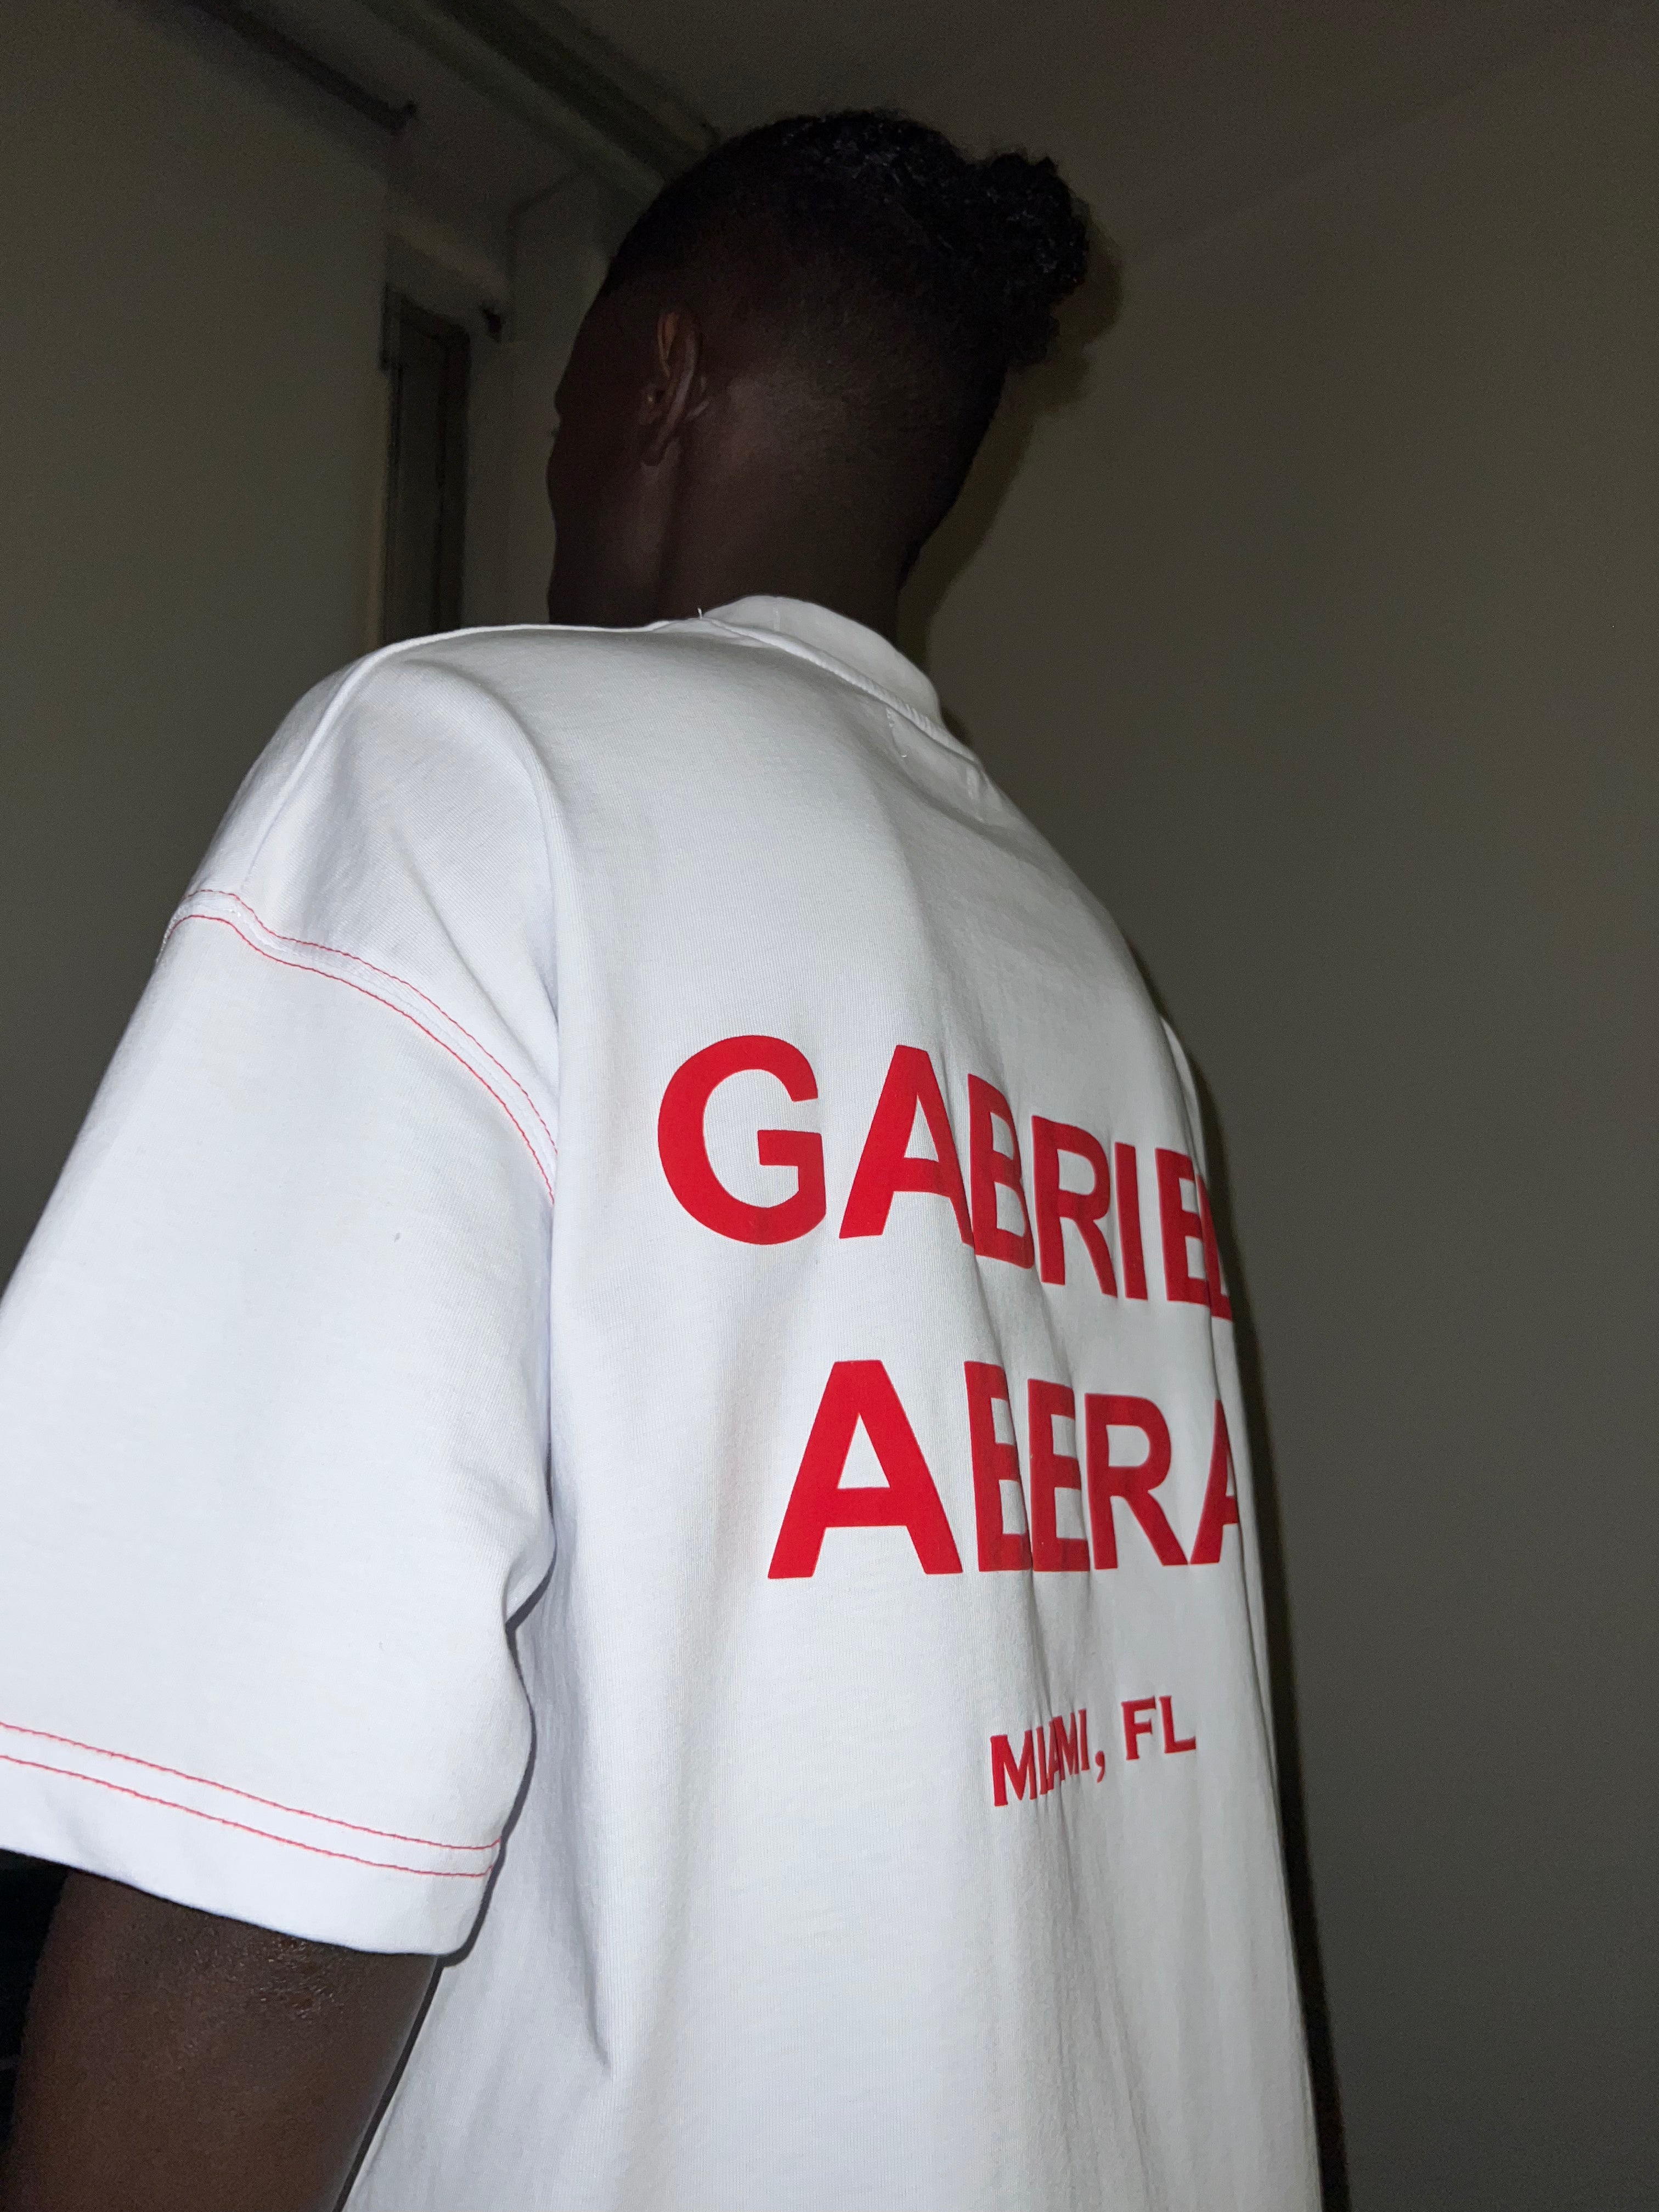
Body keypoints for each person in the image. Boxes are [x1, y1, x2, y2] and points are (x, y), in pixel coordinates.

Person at [0, 111, 1317, 2211]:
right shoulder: (1094, 988)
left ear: (662, 378)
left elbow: (246, 1877)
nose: (539, 463)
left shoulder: (471, 766)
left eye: (560, 400)